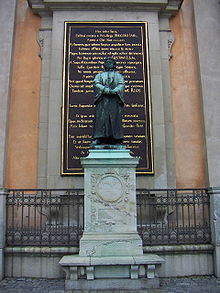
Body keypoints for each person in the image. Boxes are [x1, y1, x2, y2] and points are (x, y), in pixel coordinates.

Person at [92, 57, 125, 145]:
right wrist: (104, 89)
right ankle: (100, 137)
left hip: (114, 101)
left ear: (114, 65)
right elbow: (96, 83)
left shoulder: (118, 76)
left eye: (110, 62)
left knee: (114, 119)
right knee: (102, 119)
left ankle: (115, 138)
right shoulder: (99, 75)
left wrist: (115, 90)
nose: (108, 64)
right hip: (103, 101)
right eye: (107, 62)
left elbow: (121, 84)